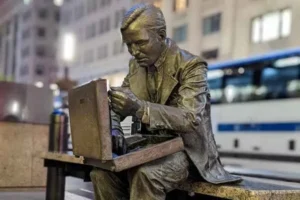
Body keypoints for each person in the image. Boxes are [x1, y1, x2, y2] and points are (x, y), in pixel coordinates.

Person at [90, 3, 242, 200]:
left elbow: (189, 118)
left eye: (140, 42)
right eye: (129, 45)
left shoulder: (191, 66)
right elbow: (116, 105)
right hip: (148, 148)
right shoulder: (136, 66)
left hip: (186, 152)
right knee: (101, 174)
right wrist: (115, 130)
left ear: (161, 36)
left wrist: (139, 108)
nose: (134, 51)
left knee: (146, 175)